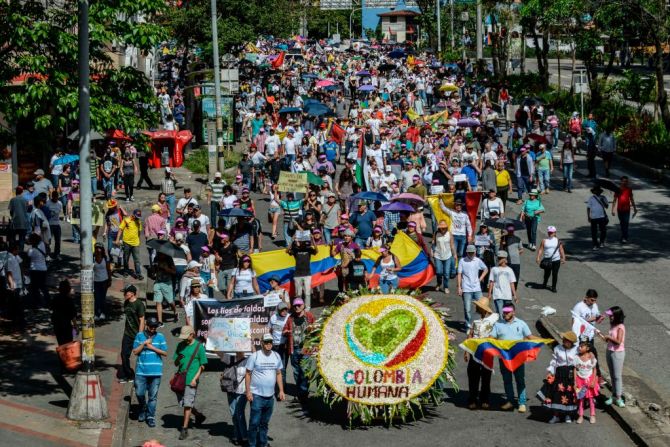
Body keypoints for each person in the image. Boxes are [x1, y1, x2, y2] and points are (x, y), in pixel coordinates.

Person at [490, 304, 539, 412]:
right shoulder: (498, 324)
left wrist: (544, 340)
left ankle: (522, 403)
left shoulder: (521, 324)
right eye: (504, 312)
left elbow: (530, 337)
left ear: (513, 312)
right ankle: (510, 401)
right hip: (504, 358)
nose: (505, 314)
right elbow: (491, 338)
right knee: (507, 380)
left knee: (520, 380)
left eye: (508, 312)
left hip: (518, 358)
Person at [246, 333, 285, 447]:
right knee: (254, 423)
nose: (269, 344)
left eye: (270, 342)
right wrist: (248, 392)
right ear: (262, 343)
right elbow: (248, 374)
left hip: (270, 396)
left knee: (264, 423)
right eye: (266, 342)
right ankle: (252, 444)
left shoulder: (276, 356)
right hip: (257, 395)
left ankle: (262, 444)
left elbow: (278, 374)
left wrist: (281, 391)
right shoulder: (255, 356)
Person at [132, 317, 168, 428]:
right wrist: (144, 344)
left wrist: (151, 347)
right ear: (147, 325)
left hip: (156, 372)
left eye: (155, 327)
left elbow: (165, 353)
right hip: (141, 372)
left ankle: (150, 416)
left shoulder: (160, 337)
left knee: (153, 397)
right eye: (151, 327)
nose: (153, 329)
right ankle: (143, 408)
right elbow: (135, 352)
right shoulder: (139, 336)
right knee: (139, 393)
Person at [464, 297, 498, 410]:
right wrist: (466, 351)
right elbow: (470, 334)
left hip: (487, 350)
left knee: (486, 375)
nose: (477, 308)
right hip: (475, 350)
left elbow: (498, 333)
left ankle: (485, 399)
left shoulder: (494, 318)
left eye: (479, 307)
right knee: (473, 374)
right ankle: (472, 399)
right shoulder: (474, 317)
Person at [174, 325, 207, 440]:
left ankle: (184, 428)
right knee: (184, 403)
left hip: (191, 381)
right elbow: (176, 363)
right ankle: (198, 416)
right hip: (180, 380)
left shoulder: (199, 347)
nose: (183, 339)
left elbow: (202, 366)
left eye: (186, 336)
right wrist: (178, 358)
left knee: (187, 404)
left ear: (192, 335)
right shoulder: (180, 345)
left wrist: (195, 379)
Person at [537, 331, 578, 423]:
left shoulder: (576, 349)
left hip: (571, 374)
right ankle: (556, 416)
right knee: (557, 394)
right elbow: (554, 362)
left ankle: (568, 415)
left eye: (567, 340)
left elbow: (579, 362)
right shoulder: (557, 348)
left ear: (571, 342)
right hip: (559, 374)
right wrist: (550, 372)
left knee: (569, 394)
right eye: (564, 339)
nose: (564, 341)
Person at [283, 298, 315, 411]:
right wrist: (286, 332)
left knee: (305, 371)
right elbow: (284, 329)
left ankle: (303, 393)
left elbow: (316, 330)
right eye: (295, 305)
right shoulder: (290, 318)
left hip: (306, 348)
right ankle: (302, 392)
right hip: (294, 348)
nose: (297, 307)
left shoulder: (309, 316)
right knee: (296, 372)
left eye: (299, 305)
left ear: (303, 305)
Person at [599, 306, 626, 408]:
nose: (610, 317)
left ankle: (619, 398)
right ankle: (614, 395)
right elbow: (611, 340)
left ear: (617, 316)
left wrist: (609, 337)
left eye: (612, 316)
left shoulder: (620, 326)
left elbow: (618, 341)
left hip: (617, 353)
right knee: (612, 375)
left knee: (617, 376)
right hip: (609, 351)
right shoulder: (613, 325)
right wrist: (604, 337)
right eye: (610, 316)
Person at [457, 245, 489, 330]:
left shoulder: (478, 260)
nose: (471, 254)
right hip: (466, 288)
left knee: (482, 306)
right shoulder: (462, 261)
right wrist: (459, 287)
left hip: (477, 288)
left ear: (475, 252)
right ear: (467, 252)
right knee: (467, 308)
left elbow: (485, 269)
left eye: (472, 252)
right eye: (469, 252)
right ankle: (468, 325)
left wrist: (480, 279)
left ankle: (481, 324)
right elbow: (459, 274)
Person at [119, 284, 145, 383]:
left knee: (141, 356)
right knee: (124, 355)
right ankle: (129, 375)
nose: (124, 294)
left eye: (126, 293)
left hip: (137, 334)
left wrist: (140, 335)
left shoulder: (139, 304)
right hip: (127, 334)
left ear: (132, 293)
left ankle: (142, 376)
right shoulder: (126, 303)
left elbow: (142, 320)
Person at [224, 352, 249, 445]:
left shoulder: (248, 360)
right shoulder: (229, 358)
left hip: (242, 391)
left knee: (239, 413)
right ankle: (237, 435)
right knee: (233, 413)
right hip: (230, 389)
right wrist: (210, 340)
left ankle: (244, 437)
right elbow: (218, 352)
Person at [574, 339, 600, 424]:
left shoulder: (591, 357)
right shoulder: (577, 357)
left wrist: (593, 381)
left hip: (589, 380)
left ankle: (592, 415)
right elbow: (575, 369)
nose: (580, 348)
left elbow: (595, 370)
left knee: (591, 399)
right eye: (579, 346)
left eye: (582, 346)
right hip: (579, 380)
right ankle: (580, 415)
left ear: (587, 348)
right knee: (580, 399)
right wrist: (575, 382)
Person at [287, 239, 318, 309]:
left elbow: (317, 251)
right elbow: (286, 251)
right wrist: (292, 239)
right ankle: (299, 307)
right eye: (298, 241)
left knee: (307, 293)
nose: (300, 242)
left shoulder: (309, 249)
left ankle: (307, 307)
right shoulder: (295, 250)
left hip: (307, 274)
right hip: (297, 275)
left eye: (301, 240)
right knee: (298, 294)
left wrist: (313, 240)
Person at [536, 226, 566, 293]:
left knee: (555, 274)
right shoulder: (544, 240)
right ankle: (545, 283)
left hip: (556, 260)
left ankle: (554, 287)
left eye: (552, 232)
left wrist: (563, 258)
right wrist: (538, 257)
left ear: (555, 233)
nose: (550, 233)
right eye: (549, 232)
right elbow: (541, 249)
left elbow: (561, 249)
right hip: (547, 260)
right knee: (547, 273)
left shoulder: (558, 241)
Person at [487, 250, 518, 316]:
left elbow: (512, 283)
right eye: (498, 258)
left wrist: (515, 295)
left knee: (507, 314)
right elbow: (491, 282)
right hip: (498, 295)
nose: (498, 259)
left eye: (500, 258)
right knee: (500, 314)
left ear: (505, 259)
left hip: (507, 296)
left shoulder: (509, 270)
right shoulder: (494, 269)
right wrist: (489, 294)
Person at [116, 209, 144, 280]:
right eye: (137, 216)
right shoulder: (126, 220)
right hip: (126, 243)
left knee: (137, 260)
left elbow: (139, 232)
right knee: (126, 258)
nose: (138, 218)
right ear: (133, 214)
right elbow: (120, 229)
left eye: (139, 216)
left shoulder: (139, 221)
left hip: (135, 243)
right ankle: (126, 271)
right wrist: (117, 239)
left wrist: (138, 240)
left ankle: (138, 274)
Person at [153, 252, 177, 325]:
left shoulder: (169, 260)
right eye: (159, 253)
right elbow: (154, 269)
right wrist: (154, 269)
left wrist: (166, 269)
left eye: (161, 254)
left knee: (170, 301)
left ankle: (175, 311)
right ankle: (160, 321)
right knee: (158, 301)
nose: (160, 255)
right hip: (158, 282)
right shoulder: (156, 258)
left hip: (167, 283)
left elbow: (174, 271)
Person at [51, 280, 77, 346]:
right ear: (68, 289)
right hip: (66, 326)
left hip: (57, 325)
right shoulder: (69, 301)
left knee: (61, 344)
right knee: (69, 344)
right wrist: (76, 326)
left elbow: (52, 309)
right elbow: (73, 316)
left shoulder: (55, 298)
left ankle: (61, 356)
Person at [432, 220, 456, 294]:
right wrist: (431, 251)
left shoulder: (449, 234)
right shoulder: (436, 233)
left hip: (447, 255)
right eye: (441, 228)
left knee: (446, 273)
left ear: (446, 228)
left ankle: (446, 286)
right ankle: (439, 283)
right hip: (438, 255)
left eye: (444, 228)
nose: (442, 229)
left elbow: (452, 245)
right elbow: (433, 243)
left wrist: (454, 254)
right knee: (439, 272)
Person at [611, 176, 637, 243]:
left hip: (627, 209)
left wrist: (635, 208)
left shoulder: (629, 189)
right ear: (621, 181)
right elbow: (614, 200)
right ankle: (624, 235)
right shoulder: (617, 189)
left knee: (626, 223)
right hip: (619, 209)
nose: (625, 182)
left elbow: (631, 199)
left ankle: (624, 237)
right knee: (622, 223)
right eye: (623, 181)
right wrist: (612, 209)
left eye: (626, 181)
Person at [27, 233, 50, 308]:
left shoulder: (31, 251)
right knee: (43, 286)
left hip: (35, 270)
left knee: (34, 288)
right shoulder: (42, 244)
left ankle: (36, 302)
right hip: (43, 269)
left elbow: (28, 257)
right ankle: (48, 301)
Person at [93, 243, 112, 320]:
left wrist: (110, 280)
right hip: (95, 281)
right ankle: (97, 313)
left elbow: (108, 270)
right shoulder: (92, 258)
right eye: (97, 248)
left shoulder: (105, 258)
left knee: (102, 298)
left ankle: (102, 312)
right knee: (97, 298)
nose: (98, 250)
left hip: (104, 281)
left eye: (100, 248)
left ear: (102, 249)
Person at [587, 186, 609, 250]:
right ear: (594, 192)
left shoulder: (603, 197)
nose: (597, 192)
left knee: (603, 230)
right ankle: (595, 244)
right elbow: (588, 208)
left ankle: (602, 242)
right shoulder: (591, 198)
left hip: (602, 216)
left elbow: (606, 206)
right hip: (593, 217)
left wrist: (603, 201)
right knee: (594, 232)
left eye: (598, 190)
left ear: (600, 191)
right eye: (595, 190)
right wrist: (588, 216)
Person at [8, 187, 29, 251]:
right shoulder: (25, 200)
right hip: (23, 223)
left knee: (12, 239)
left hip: (15, 222)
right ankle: (21, 254)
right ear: (22, 192)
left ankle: (13, 253)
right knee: (21, 240)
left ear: (16, 192)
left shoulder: (12, 200)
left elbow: (11, 211)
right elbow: (26, 210)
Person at [46, 191, 63, 259]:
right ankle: (48, 254)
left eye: (57, 197)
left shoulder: (59, 203)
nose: (56, 198)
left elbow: (60, 212)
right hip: (50, 224)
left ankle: (57, 254)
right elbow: (46, 213)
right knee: (49, 240)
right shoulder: (48, 203)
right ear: (52, 196)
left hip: (57, 224)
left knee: (58, 240)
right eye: (54, 197)